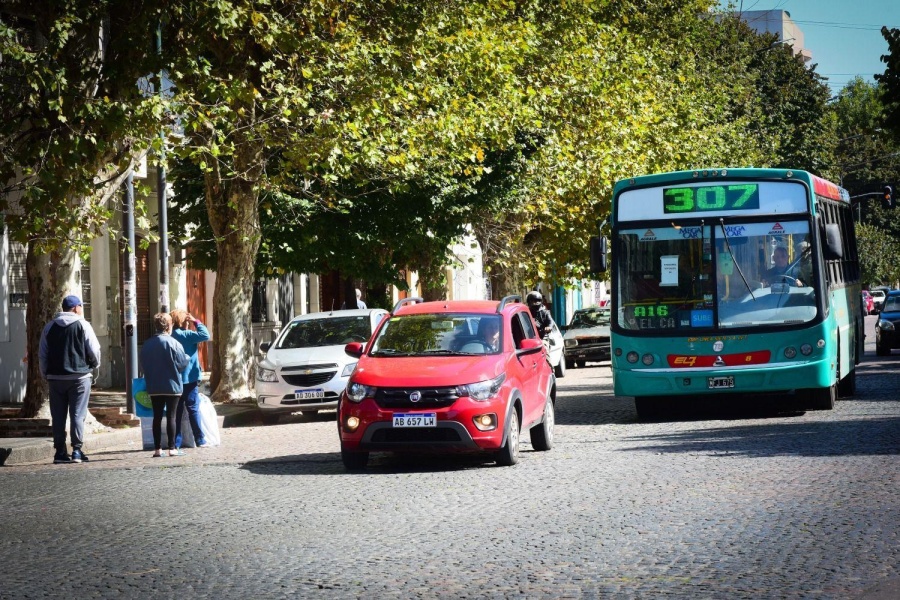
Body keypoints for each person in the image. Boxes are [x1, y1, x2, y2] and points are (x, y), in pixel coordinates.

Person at [38, 294, 101, 464]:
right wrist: (95, 365)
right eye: (80, 305)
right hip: (80, 377)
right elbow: (94, 350)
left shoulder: (49, 327)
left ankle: (59, 452)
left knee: (58, 416)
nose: (81, 308)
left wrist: (45, 374)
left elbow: (42, 354)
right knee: (77, 415)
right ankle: (77, 451)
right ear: (75, 308)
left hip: (55, 377)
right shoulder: (83, 325)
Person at [140, 313, 190, 458]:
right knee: (171, 417)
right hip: (172, 385)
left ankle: (157, 449)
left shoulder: (147, 344)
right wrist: (187, 358)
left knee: (156, 416)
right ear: (169, 326)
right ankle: (172, 448)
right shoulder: (174, 343)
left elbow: (143, 364)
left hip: (154, 385)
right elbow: (181, 364)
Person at [170, 308, 211, 449]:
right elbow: (205, 335)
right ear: (183, 322)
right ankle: (200, 440)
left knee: (177, 412)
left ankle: (176, 442)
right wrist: (196, 321)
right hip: (190, 378)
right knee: (193, 409)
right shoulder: (188, 335)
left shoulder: (171, 335)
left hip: (175, 379)